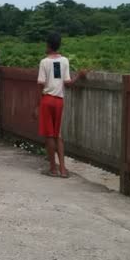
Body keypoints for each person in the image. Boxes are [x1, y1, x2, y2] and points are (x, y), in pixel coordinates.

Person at [34, 32, 87, 178]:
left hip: (47, 100)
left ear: (49, 45)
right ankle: (63, 169)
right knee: (58, 135)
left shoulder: (44, 62)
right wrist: (79, 76)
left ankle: (53, 168)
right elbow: (67, 83)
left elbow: (40, 85)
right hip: (59, 101)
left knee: (49, 136)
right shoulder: (64, 61)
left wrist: (37, 105)